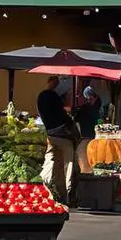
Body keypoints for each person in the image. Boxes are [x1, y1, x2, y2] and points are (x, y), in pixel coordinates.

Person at [37, 76, 80, 205]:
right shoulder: (53, 96)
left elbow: (41, 113)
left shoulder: (40, 96)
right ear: (53, 82)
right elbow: (62, 114)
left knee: (50, 161)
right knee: (68, 163)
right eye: (56, 82)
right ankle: (66, 194)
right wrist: (70, 120)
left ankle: (45, 187)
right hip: (62, 135)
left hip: (49, 133)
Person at [76, 85, 104, 173]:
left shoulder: (85, 109)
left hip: (87, 139)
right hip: (94, 139)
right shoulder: (98, 109)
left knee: (86, 168)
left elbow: (76, 119)